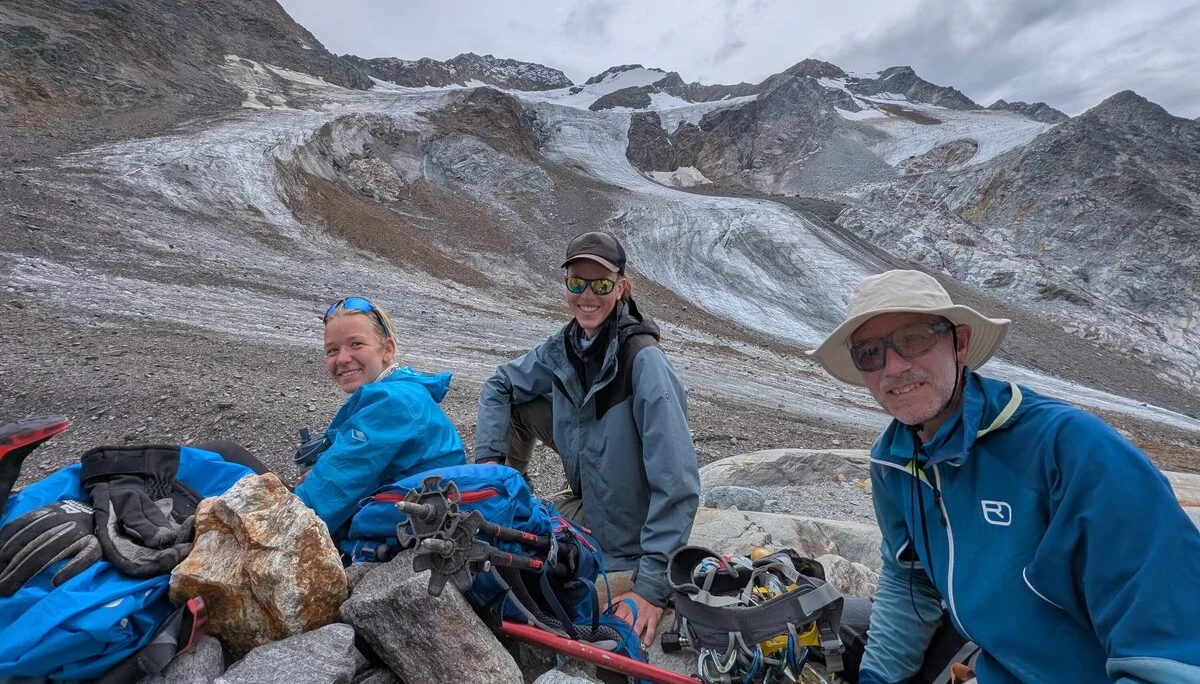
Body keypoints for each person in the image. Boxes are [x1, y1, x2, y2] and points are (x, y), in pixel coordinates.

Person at [807, 269, 1200, 684]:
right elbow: (910, 580)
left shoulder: (1069, 447)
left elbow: (1168, 656)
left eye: (914, 338)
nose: (894, 366)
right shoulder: (893, 463)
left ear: (960, 343)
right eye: (870, 352)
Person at [474, 232, 700, 647]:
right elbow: (500, 384)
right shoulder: (565, 348)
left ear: (621, 287)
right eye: (577, 283)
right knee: (518, 407)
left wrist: (650, 590)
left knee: (525, 583)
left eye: (601, 284)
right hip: (589, 504)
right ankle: (501, 504)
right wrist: (489, 470)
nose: (588, 295)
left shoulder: (644, 361)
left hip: (627, 536)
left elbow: (678, 482)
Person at [293, 297, 466, 539]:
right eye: (332, 350)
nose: (342, 358)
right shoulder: (400, 392)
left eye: (356, 344)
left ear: (388, 349)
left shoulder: (392, 403)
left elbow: (326, 496)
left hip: (396, 538)